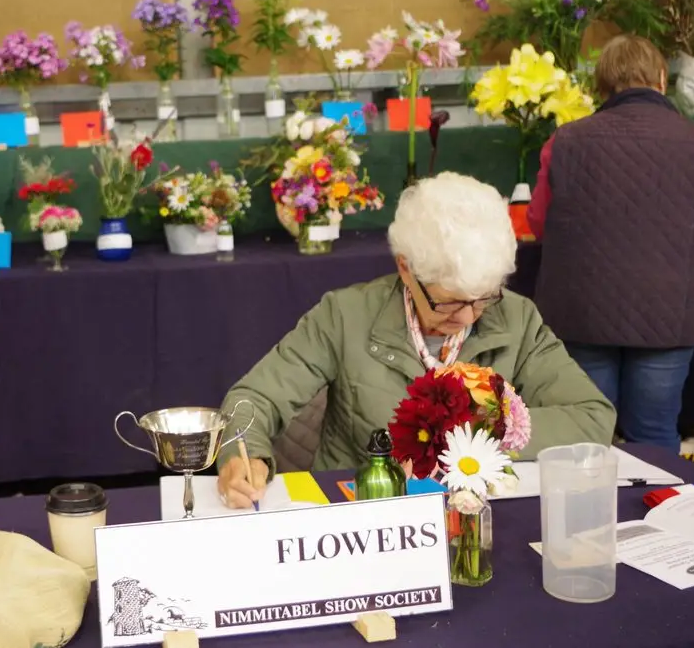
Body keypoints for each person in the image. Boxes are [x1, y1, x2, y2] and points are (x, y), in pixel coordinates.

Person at [216, 172, 614, 508]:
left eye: (483, 299)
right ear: (405, 268)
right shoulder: (345, 315)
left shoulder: (517, 317)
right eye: (448, 303)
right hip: (365, 519)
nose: (466, 318)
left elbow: (593, 417)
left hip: (479, 515)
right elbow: (255, 398)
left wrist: (473, 431)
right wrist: (241, 454)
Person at [526, 34, 694, 451]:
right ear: (662, 78)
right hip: (669, 314)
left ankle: (588, 518)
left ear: (601, 85)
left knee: (586, 437)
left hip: (583, 313)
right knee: (655, 437)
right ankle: (656, 514)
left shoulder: (566, 140)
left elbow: (539, 222)